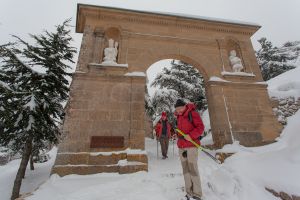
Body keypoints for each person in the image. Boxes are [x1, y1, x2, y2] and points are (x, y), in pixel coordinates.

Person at [174, 99, 205, 200]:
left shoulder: (192, 113)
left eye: (180, 108)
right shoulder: (178, 117)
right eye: (176, 109)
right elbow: (181, 131)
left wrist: (191, 136)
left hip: (191, 146)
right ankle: (189, 191)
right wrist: (177, 135)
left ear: (184, 106)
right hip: (182, 147)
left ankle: (197, 193)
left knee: (193, 169)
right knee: (185, 170)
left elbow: (201, 128)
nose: (178, 111)